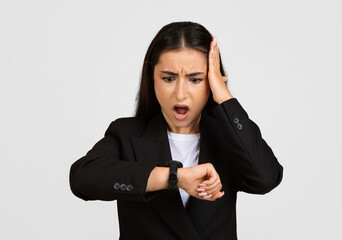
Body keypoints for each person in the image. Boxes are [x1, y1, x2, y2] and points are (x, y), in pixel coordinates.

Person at [69, 21, 283, 240]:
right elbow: (82, 178)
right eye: (169, 78)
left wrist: (224, 97)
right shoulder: (127, 134)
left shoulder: (228, 138)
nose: (181, 94)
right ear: (151, 78)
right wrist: (174, 178)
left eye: (195, 79)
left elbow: (267, 178)